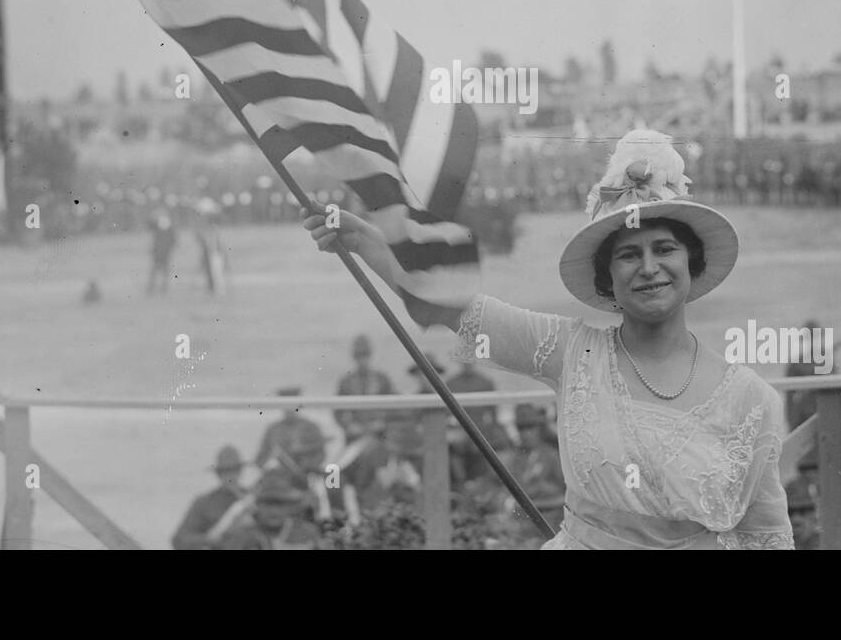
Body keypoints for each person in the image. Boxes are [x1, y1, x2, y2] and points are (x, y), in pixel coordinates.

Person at [304, 129, 793, 549]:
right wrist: (363, 238)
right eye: (628, 255)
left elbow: (768, 537)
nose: (649, 268)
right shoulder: (571, 352)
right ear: (607, 278)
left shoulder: (750, 399)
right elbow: (454, 308)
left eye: (664, 249)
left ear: (692, 262)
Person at [171, 445, 249, 550]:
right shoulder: (203, 503)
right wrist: (208, 539)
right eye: (225, 471)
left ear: (240, 471)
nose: (230, 476)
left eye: (234, 470)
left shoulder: (253, 499)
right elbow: (179, 540)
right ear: (218, 474)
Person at [506, 404, 565, 530]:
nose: (526, 433)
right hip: (522, 521)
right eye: (521, 428)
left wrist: (537, 503)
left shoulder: (551, 456)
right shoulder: (514, 458)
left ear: (538, 428)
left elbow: (566, 497)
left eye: (530, 427)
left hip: (551, 519)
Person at [334, 334, 395, 442]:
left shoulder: (382, 379)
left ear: (370, 355)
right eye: (359, 356)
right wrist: (348, 426)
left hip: (379, 435)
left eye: (365, 355)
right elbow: (337, 411)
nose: (362, 360)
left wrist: (383, 422)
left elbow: (394, 406)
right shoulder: (346, 381)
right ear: (354, 357)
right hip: (355, 435)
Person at [255, 387, 328, 477]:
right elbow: (260, 459)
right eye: (286, 405)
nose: (289, 409)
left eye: (292, 405)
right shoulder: (273, 429)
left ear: (298, 405)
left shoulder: (311, 427)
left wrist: (306, 464)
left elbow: (321, 455)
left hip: (304, 477)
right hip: (279, 477)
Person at [146, 211, 178, 295]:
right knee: (159, 271)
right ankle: (157, 288)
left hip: (162, 254)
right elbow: (174, 242)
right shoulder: (165, 231)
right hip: (161, 254)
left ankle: (156, 288)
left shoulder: (162, 231)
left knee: (159, 271)